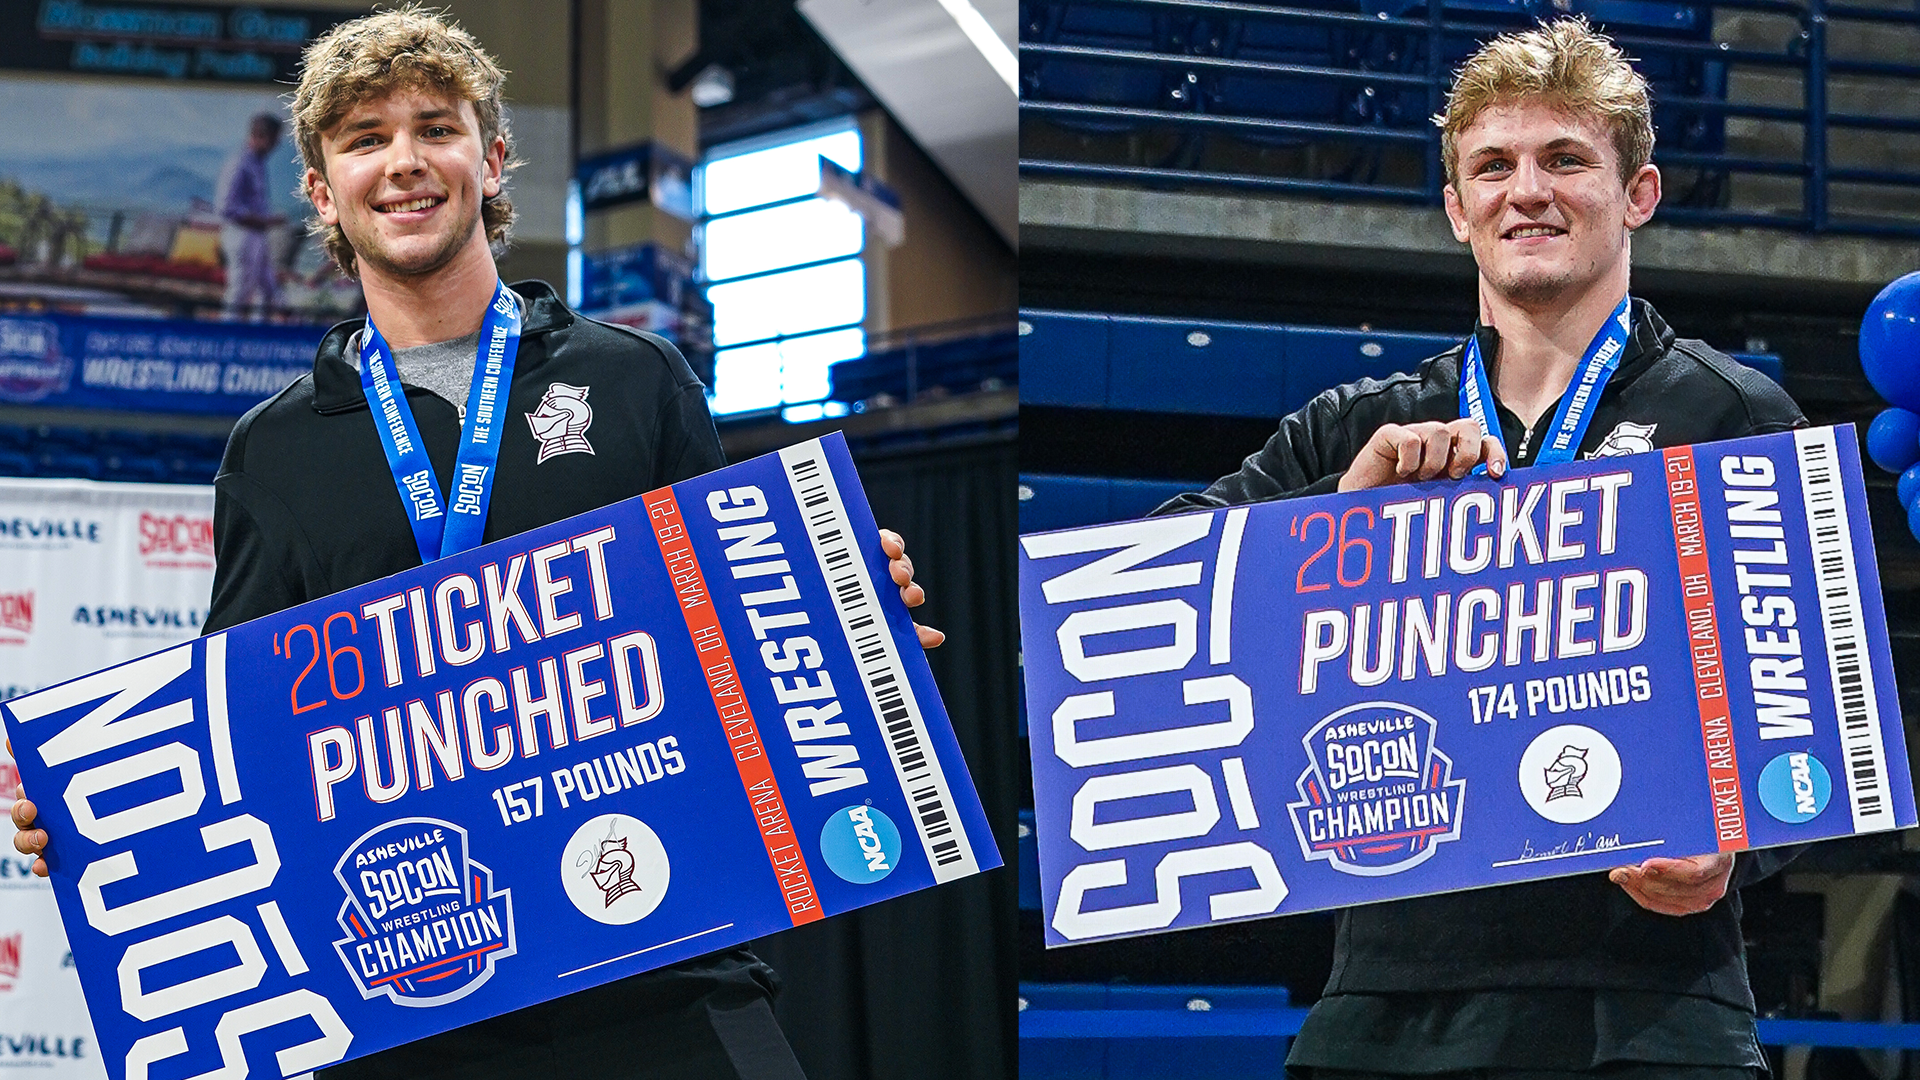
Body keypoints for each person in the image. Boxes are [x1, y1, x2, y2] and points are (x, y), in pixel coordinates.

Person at [11, 9, 939, 1079]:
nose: (403, 161)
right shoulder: (273, 449)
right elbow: (241, 723)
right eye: (365, 139)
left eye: (435, 128)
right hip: (412, 1003)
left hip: (662, 963)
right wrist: (95, 819)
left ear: (491, 160)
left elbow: (740, 623)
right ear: (322, 190)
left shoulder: (634, 379)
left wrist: (847, 619)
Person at [1153, 19, 1804, 1080]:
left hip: (1646, 1011)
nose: (1527, 191)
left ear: (1638, 194)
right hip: (1385, 1011)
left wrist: (1740, 843)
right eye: (1493, 166)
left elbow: (1813, 691)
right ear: (1458, 209)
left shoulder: (1732, 415)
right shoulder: (1360, 427)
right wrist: (1334, 512)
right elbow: (1145, 589)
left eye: (1566, 160)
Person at [218, 112, 288, 319]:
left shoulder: (257, 163)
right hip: (241, 235)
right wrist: (266, 221)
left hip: (256, 235)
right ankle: (228, 333)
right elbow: (227, 207)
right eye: (274, 139)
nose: (276, 145)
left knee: (266, 288)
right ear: (262, 136)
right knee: (240, 290)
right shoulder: (240, 163)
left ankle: (259, 333)